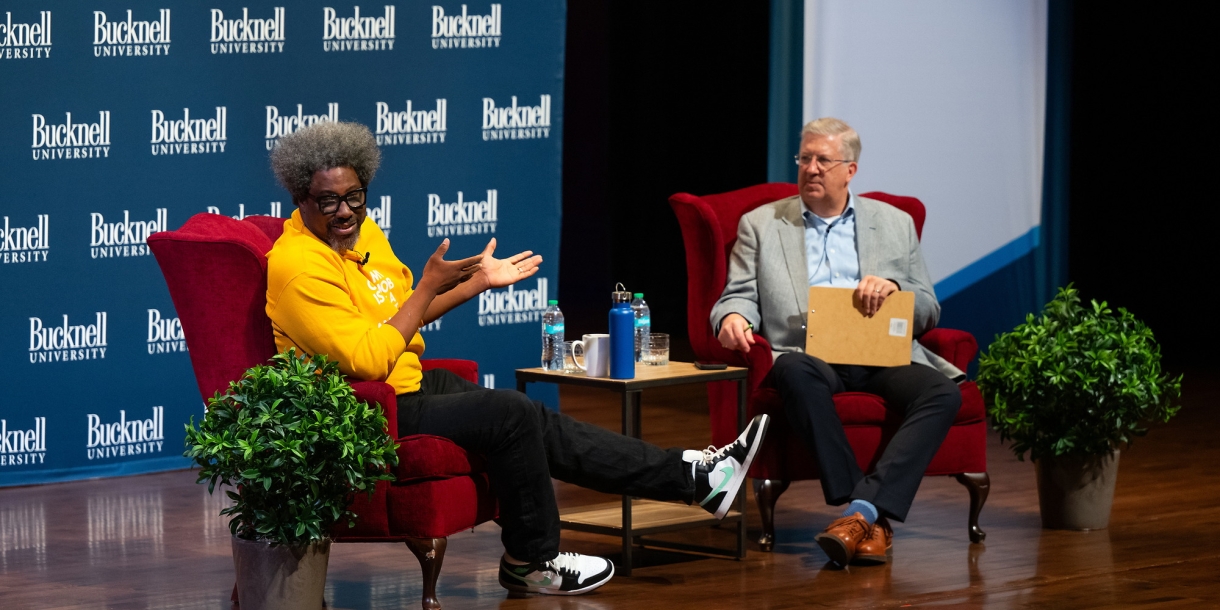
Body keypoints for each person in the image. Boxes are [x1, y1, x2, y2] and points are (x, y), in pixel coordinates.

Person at [265, 121, 769, 596]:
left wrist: (476, 283)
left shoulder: (362, 233)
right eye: (329, 201)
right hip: (359, 409)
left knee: (536, 419)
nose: (346, 211)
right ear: (299, 198)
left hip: (405, 388)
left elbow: (403, 318)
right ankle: (531, 563)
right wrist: (429, 287)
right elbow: (368, 359)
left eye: (355, 196)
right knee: (510, 413)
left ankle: (695, 478)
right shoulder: (298, 268)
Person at [709, 117, 963, 567]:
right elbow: (738, 295)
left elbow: (928, 307)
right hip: (808, 356)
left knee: (942, 392)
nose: (810, 169)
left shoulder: (895, 223)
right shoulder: (761, 225)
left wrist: (893, 289)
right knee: (790, 371)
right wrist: (731, 317)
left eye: (823, 160)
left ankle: (859, 512)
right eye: (804, 158)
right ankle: (866, 511)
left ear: (850, 170)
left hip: (881, 356)